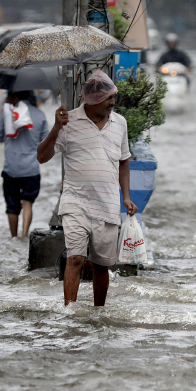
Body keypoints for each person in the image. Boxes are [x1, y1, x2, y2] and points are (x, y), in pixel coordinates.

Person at [37, 70, 138, 307]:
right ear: (91, 100)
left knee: (101, 266)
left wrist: (127, 197)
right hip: (75, 202)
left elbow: (124, 160)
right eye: (107, 98)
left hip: (108, 203)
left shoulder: (119, 123)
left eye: (113, 97)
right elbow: (42, 157)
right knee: (75, 259)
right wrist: (55, 128)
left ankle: (98, 313)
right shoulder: (67, 122)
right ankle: (69, 312)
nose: (112, 102)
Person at [0, 90, 49, 238]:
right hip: (31, 168)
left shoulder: (7, 113)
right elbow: (46, 142)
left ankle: (14, 237)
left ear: (16, 96)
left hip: (11, 168)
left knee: (12, 207)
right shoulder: (40, 115)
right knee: (27, 202)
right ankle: (24, 236)